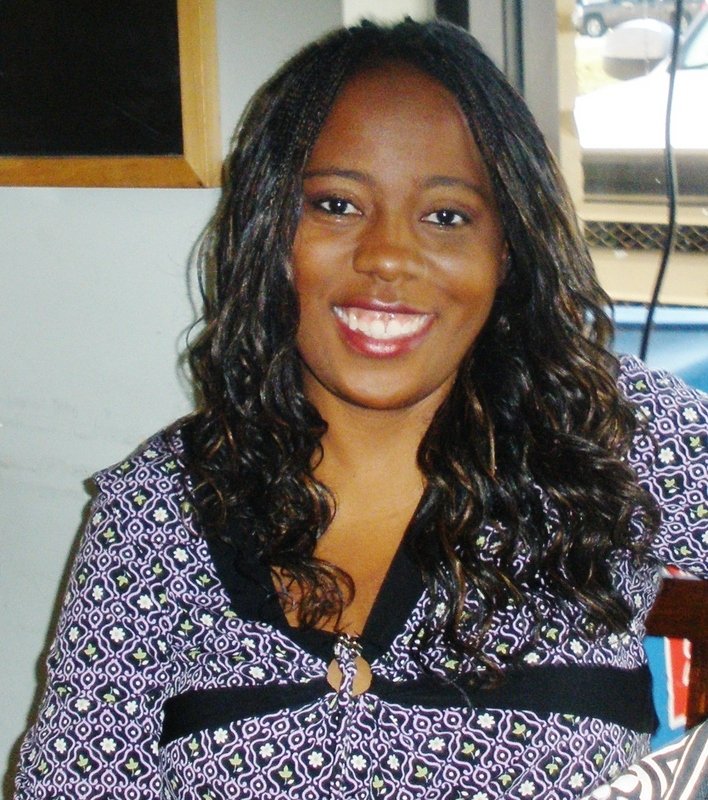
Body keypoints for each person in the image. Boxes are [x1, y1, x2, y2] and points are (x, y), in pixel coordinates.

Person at [14, 18, 707, 800]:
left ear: (505, 250)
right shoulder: (159, 504)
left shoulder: (607, 433)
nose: (386, 256)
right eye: (337, 205)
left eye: (447, 216)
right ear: (271, 231)